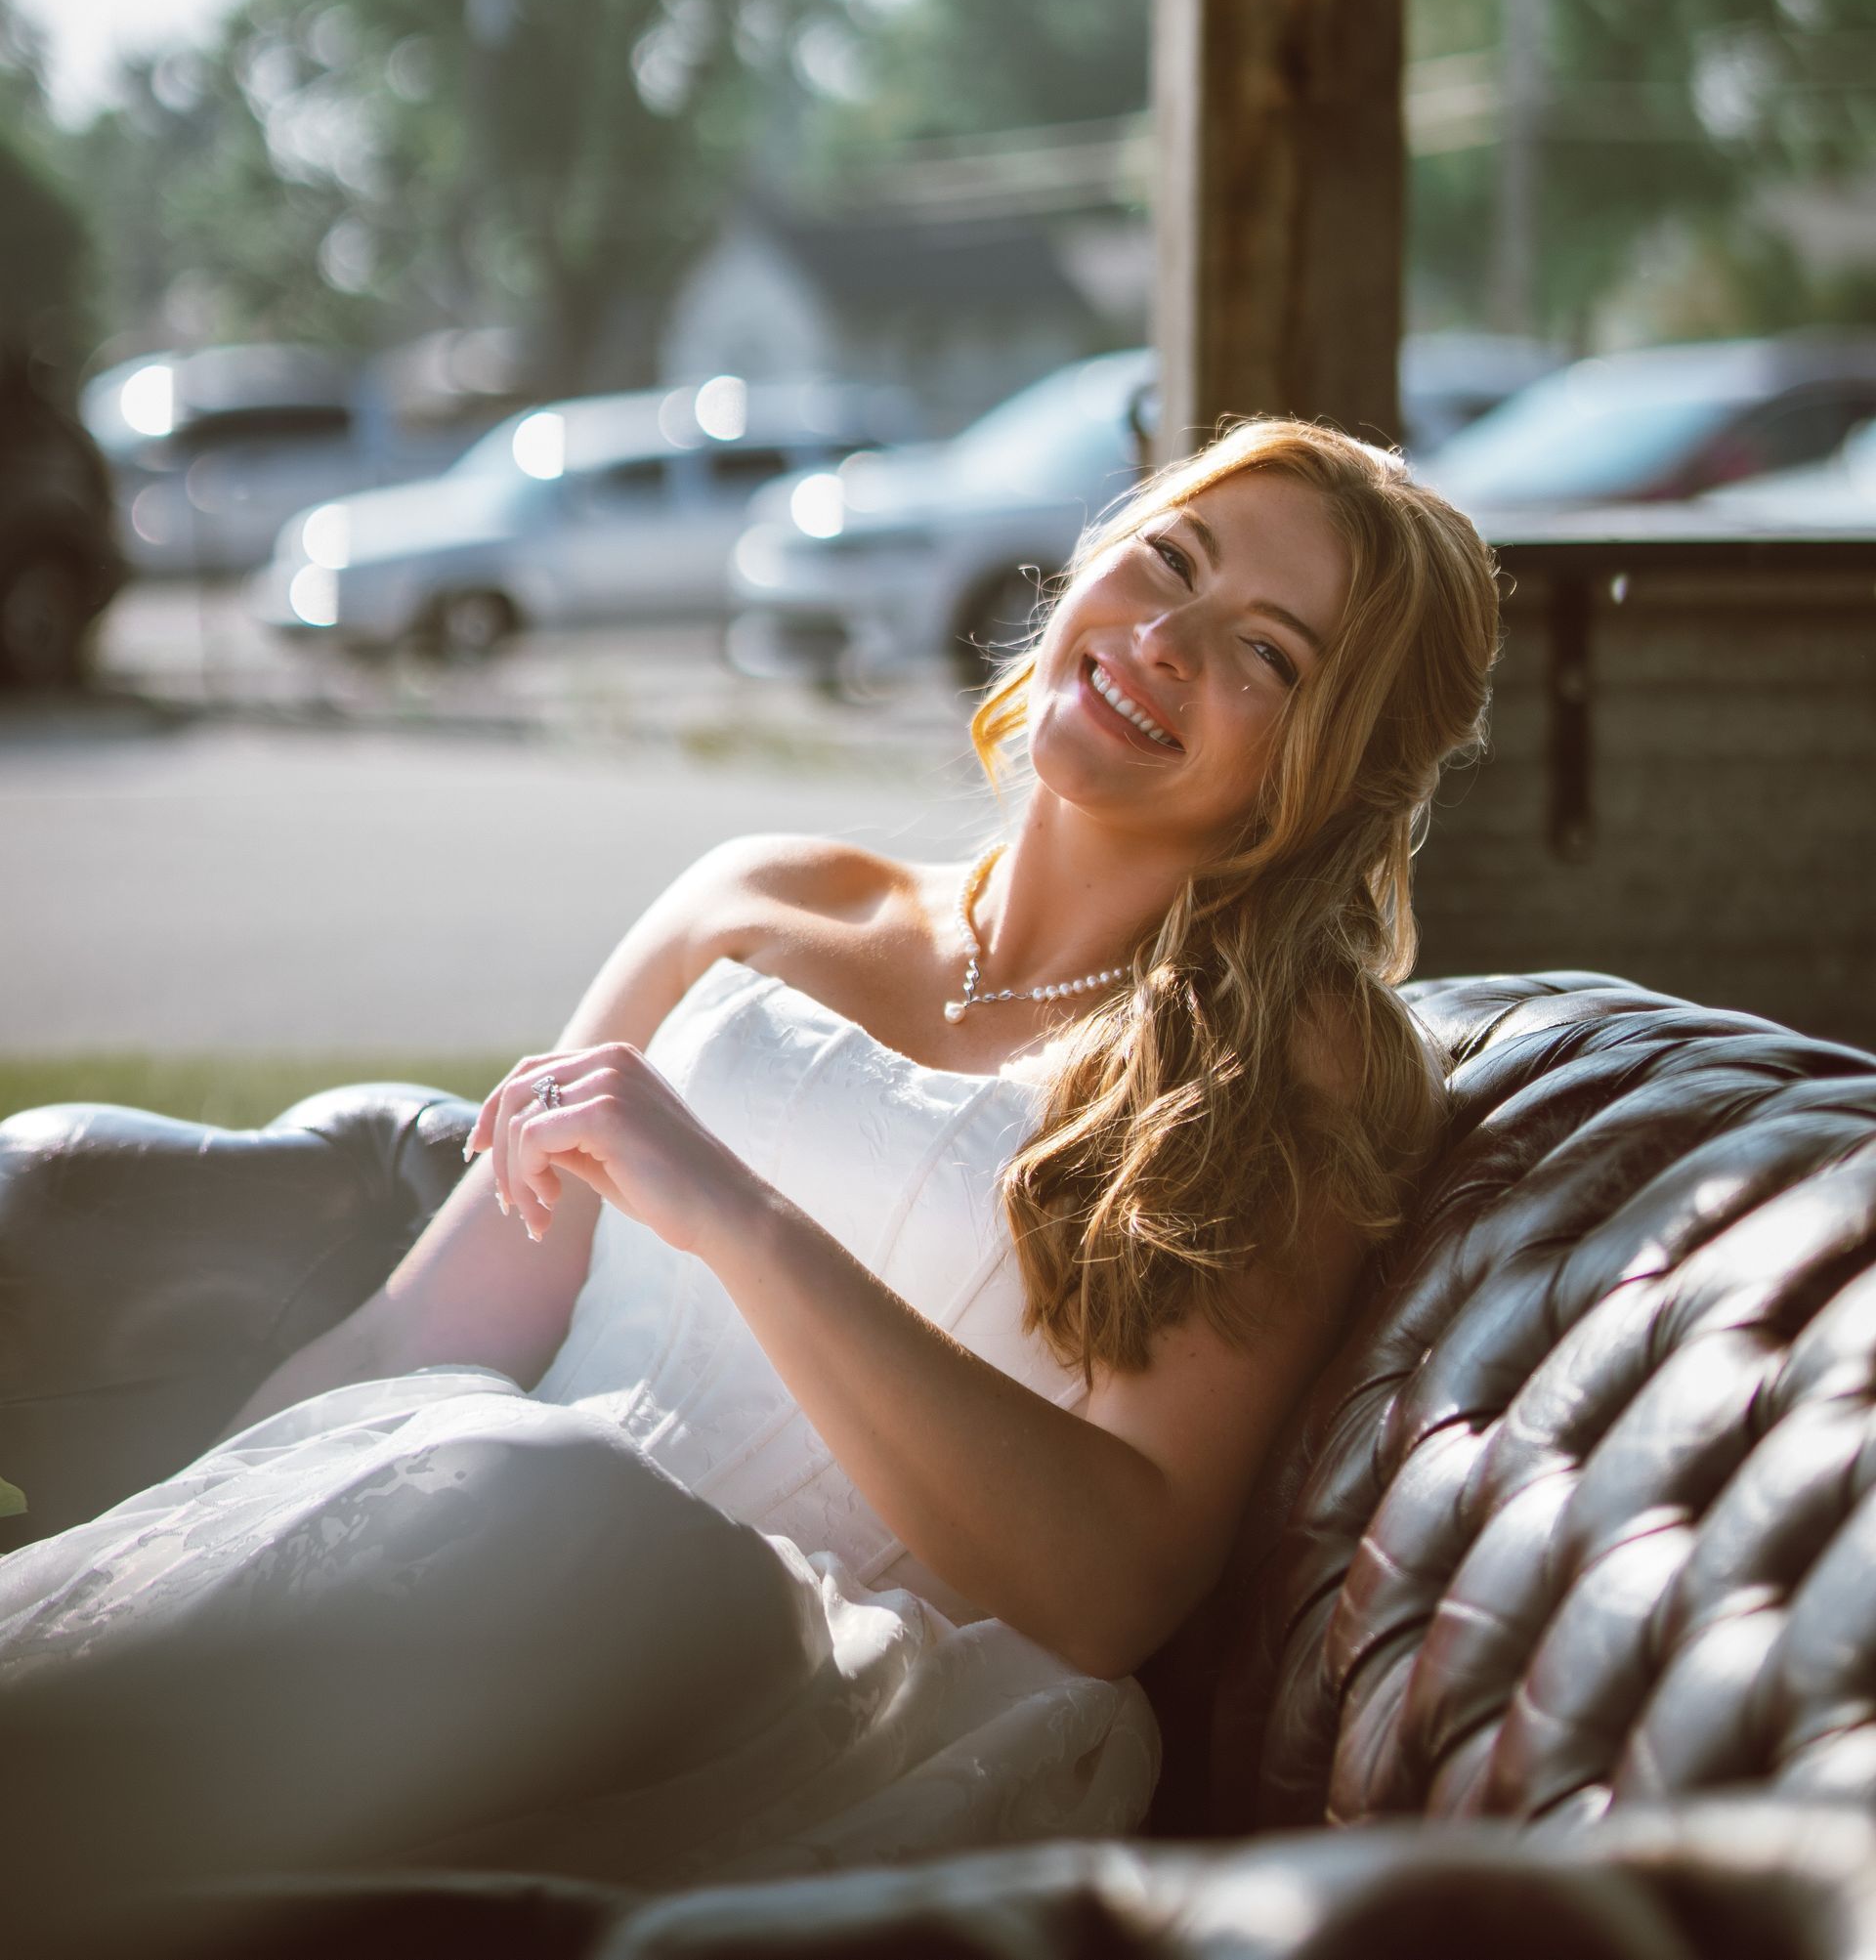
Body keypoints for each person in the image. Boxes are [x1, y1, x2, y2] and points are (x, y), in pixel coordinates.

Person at [0, 417, 1498, 1929]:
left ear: (1339, 766)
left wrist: (733, 1213)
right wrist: (161, 1542)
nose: (1166, 636)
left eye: (1268, 653)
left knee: (559, 1487)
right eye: (1169, 559)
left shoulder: (1283, 1064)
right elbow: (414, 1335)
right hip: (469, 1547)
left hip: (804, 1669)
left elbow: (1112, 1582)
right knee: (431, 1512)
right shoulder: (757, 895)